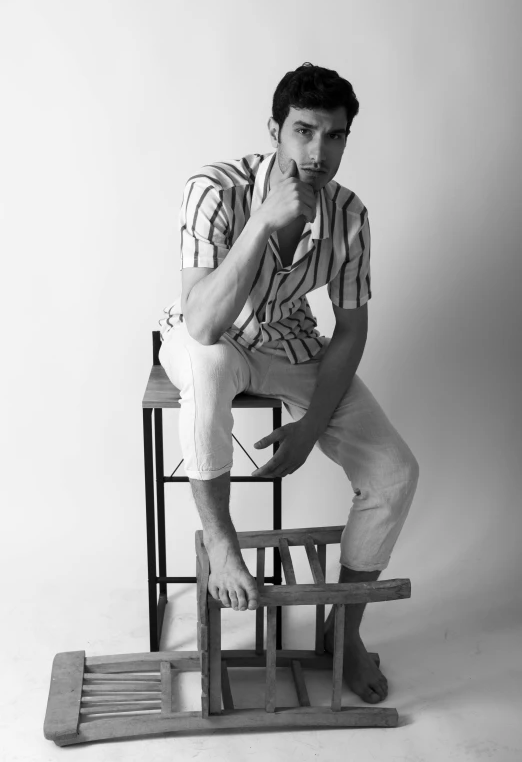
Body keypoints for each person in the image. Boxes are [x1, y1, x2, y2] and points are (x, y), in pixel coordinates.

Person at [158, 63, 419, 704]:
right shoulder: (214, 190)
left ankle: (344, 631)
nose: (317, 152)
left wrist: (308, 430)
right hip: (211, 333)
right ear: (275, 130)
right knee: (211, 361)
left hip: (288, 338)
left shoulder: (350, 216)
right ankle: (222, 546)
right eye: (303, 131)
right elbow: (204, 321)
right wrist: (262, 223)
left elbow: (350, 330)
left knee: (394, 473)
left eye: (334, 137)